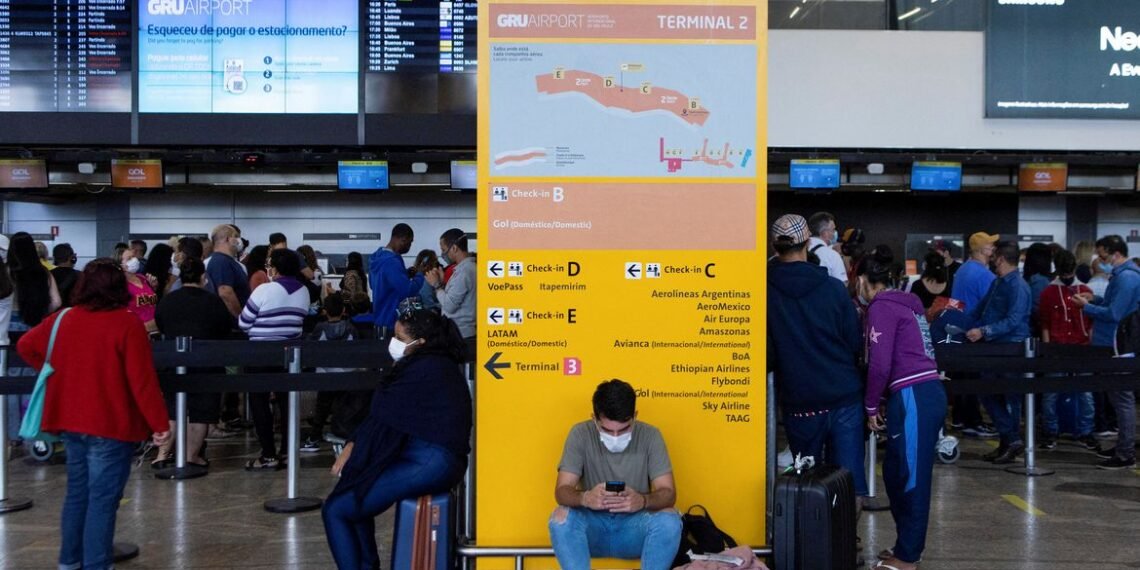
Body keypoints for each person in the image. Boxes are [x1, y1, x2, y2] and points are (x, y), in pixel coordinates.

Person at [17, 259, 170, 570]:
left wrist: (54, 371)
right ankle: (97, 564)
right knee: (102, 500)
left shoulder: (64, 318)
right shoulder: (126, 323)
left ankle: (69, 562)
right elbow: (142, 382)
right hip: (111, 424)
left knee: (77, 495)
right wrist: (159, 424)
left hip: (71, 421)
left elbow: (25, 345)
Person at [322, 307, 472, 569]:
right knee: (354, 504)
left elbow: (382, 413)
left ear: (421, 342)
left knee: (337, 510)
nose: (394, 343)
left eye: (400, 338)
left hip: (429, 462)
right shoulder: (434, 363)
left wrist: (354, 445)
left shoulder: (424, 368)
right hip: (432, 458)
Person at [767, 214, 868, 497]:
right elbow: (853, 342)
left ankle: (809, 527)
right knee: (849, 486)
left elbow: (768, 353)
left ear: (775, 247)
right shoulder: (834, 289)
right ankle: (845, 527)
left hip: (800, 402)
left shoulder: (763, 292)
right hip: (844, 397)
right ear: (808, 244)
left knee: (806, 485)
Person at [859, 259, 946, 570]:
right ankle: (906, 544)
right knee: (896, 473)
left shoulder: (881, 306)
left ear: (865, 280)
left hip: (913, 395)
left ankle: (908, 556)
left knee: (910, 477)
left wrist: (871, 404)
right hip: (918, 393)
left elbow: (880, 363)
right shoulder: (908, 304)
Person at [547, 379, 681, 570]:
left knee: (670, 520)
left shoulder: (651, 435)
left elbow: (668, 493)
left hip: (634, 529)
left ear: (635, 416)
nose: (616, 437)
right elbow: (561, 491)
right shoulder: (580, 433)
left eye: (624, 429)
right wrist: (585, 498)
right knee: (560, 517)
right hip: (592, 531)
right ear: (594, 419)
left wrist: (642, 500)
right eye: (607, 430)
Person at [154, 258, 234, 470]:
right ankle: (191, 456)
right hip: (205, 362)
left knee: (172, 410)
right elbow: (224, 328)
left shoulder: (167, 300)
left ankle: (162, 455)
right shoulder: (213, 301)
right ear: (203, 277)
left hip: (172, 360)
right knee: (201, 412)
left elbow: (161, 325)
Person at [239, 249, 311, 470]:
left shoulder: (265, 289)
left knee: (259, 403)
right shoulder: (304, 291)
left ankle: (268, 454)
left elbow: (244, 322)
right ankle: (287, 452)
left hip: (260, 353)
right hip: (290, 354)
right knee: (287, 402)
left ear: (275, 269)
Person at [1073, 235, 1140, 469]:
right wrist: (1095, 299)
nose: (1100, 261)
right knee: (1118, 398)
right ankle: (1123, 445)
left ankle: (1125, 452)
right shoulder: (1122, 276)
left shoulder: (1127, 278)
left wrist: (1087, 307)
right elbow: (1113, 305)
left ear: (1115, 253)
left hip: (1119, 345)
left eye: (1102, 255)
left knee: (1122, 399)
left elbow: (1114, 314)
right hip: (1114, 343)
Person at [965, 240, 1031, 464]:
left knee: (1010, 398)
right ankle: (1008, 439)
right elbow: (980, 309)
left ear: (1001, 258)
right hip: (994, 348)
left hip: (1010, 349)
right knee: (988, 393)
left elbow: (1014, 320)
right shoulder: (998, 283)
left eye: (994, 256)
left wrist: (983, 331)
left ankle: (1011, 440)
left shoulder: (1018, 286)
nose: (991, 260)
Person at [1036, 249, 1099, 453]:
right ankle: (1051, 431)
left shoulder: (1084, 290)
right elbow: (1045, 324)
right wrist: (1047, 350)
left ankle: (1084, 431)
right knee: (1052, 393)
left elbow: (1090, 323)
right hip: (1059, 347)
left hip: (1080, 347)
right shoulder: (1049, 292)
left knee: (1084, 393)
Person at [947, 232, 1001, 439]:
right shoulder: (985, 276)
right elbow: (993, 306)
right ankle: (974, 422)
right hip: (977, 333)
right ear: (981, 249)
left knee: (962, 377)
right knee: (975, 380)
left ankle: (960, 418)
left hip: (959, 330)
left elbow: (954, 302)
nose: (993, 248)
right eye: (990, 245)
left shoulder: (962, 270)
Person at [301, 292, 356, 453]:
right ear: (343, 310)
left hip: (325, 374)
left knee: (322, 408)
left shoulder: (320, 328)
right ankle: (344, 436)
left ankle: (314, 438)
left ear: (325, 311)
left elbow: (310, 347)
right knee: (344, 408)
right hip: (347, 375)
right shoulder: (351, 328)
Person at [425, 229, 475, 358]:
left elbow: (449, 306)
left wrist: (436, 285)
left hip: (461, 335)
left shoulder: (464, 272)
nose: (443, 254)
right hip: (461, 333)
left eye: (444, 250)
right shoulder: (465, 269)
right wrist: (442, 285)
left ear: (454, 248)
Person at [365, 223, 423, 334]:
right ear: (403, 239)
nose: (409, 246)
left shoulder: (377, 258)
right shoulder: (392, 262)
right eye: (410, 242)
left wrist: (404, 275)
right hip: (391, 322)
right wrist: (420, 275)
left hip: (380, 320)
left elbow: (375, 284)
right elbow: (408, 290)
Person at [206, 224, 250, 319]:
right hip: (229, 322)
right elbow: (225, 292)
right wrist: (241, 317)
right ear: (227, 239)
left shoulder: (228, 261)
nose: (239, 240)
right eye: (236, 236)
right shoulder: (221, 261)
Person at [114, 244, 158, 334]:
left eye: (134, 257)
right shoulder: (120, 285)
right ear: (120, 265)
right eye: (129, 259)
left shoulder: (143, 278)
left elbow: (150, 302)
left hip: (155, 330)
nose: (134, 260)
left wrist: (154, 287)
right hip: (137, 331)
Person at [807, 211, 847, 283]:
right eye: (833, 230)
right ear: (825, 233)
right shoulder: (832, 255)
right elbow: (842, 285)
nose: (835, 233)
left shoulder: (799, 250)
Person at [340, 251, 371, 317]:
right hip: (362, 306)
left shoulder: (350, 274)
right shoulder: (361, 274)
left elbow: (350, 293)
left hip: (353, 308)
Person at [50, 243, 81, 307]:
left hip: (54, 311)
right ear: (72, 258)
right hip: (73, 310)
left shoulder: (48, 275)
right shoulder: (80, 276)